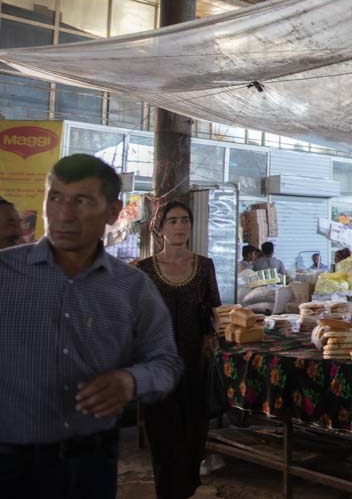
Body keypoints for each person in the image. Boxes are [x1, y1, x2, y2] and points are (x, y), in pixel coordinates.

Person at [0, 154, 182, 499]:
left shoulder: (132, 287)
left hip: (91, 462)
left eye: (82, 201)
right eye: (55, 198)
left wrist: (131, 380)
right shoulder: (4, 274)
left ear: (113, 212)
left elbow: (166, 362)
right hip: (8, 462)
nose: (64, 214)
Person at [137, 201, 221, 499]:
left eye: (185, 220)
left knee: (193, 429)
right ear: (159, 229)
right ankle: (167, 491)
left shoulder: (204, 266)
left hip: (193, 362)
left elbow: (214, 310)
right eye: (172, 221)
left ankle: (187, 488)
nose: (180, 226)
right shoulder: (143, 269)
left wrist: (212, 337)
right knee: (162, 431)